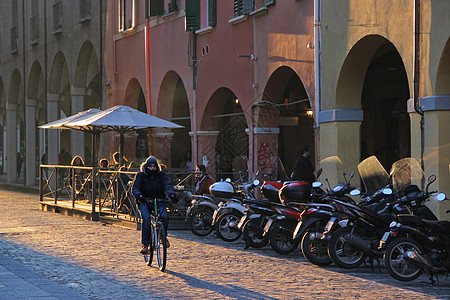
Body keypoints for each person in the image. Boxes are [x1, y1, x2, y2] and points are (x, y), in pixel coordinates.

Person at [132, 156, 178, 254]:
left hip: (158, 200)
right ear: (146, 166)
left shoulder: (161, 175)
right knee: (146, 218)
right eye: (150, 166)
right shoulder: (140, 175)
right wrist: (139, 196)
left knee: (165, 216)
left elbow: (167, 185)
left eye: (154, 167)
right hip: (144, 201)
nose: (152, 168)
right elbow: (135, 187)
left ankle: (163, 236)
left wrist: (171, 194)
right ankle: (145, 244)